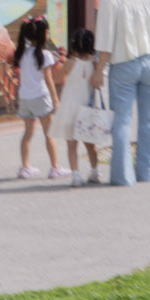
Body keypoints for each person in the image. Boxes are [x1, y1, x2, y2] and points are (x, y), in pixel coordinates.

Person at [90, 0, 150, 185]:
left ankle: (123, 176)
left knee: (121, 121)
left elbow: (105, 38)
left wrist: (99, 70)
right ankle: (148, 172)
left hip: (124, 64)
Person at [10, 15, 67, 180]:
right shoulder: (45, 55)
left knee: (27, 134)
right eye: (48, 31)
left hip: (25, 98)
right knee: (49, 133)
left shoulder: (22, 54)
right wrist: (55, 100)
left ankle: (25, 167)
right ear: (44, 34)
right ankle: (55, 167)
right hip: (40, 97)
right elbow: (48, 80)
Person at [55, 27, 101, 186]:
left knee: (71, 144)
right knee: (90, 143)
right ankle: (95, 172)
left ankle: (76, 175)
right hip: (87, 109)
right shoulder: (95, 63)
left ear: (73, 45)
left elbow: (57, 78)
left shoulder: (70, 63)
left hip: (70, 108)